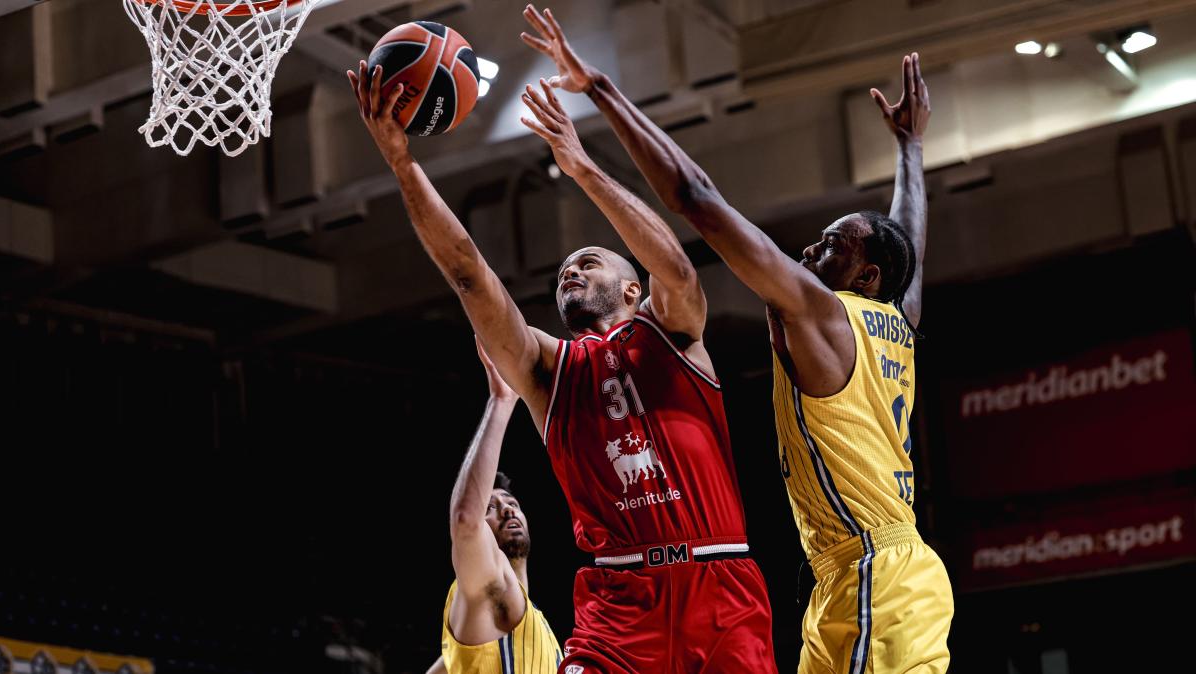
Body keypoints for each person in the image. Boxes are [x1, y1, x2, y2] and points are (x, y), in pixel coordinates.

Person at [520, 5, 953, 672]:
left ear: (862, 275)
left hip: (877, 572)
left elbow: (696, 195)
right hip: (848, 576)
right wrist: (909, 150)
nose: (812, 248)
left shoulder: (822, 312)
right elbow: (907, 255)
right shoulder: (894, 318)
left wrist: (602, 91)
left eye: (831, 245)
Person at [347, 50, 777, 673]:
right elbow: (469, 274)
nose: (571, 269)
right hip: (619, 604)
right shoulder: (548, 371)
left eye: (589, 261)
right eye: (564, 269)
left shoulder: (676, 337)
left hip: (720, 584)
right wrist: (401, 163)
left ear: (633, 291)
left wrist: (580, 169)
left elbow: (677, 268)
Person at [426, 339, 562, 674]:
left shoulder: (520, 623)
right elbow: (465, 521)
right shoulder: (486, 586)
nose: (507, 510)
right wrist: (501, 401)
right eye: (491, 506)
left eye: (512, 502)